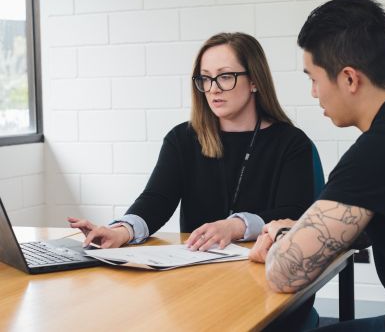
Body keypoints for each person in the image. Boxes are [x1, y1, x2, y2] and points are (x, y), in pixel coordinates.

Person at [249, 0, 385, 332]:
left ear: (349, 79)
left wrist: (283, 235)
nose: (314, 93)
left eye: (314, 78)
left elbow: (284, 273)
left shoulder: (379, 151)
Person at [69, 32, 315, 255]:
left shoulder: (291, 143)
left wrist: (235, 226)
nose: (213, 89)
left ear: (255, 82)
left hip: (265, 268)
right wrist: (121, 231)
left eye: (226, 76)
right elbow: (156, 200)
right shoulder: (182, 139)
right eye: (206, 79)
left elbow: (294, 214)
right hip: (198, 271)